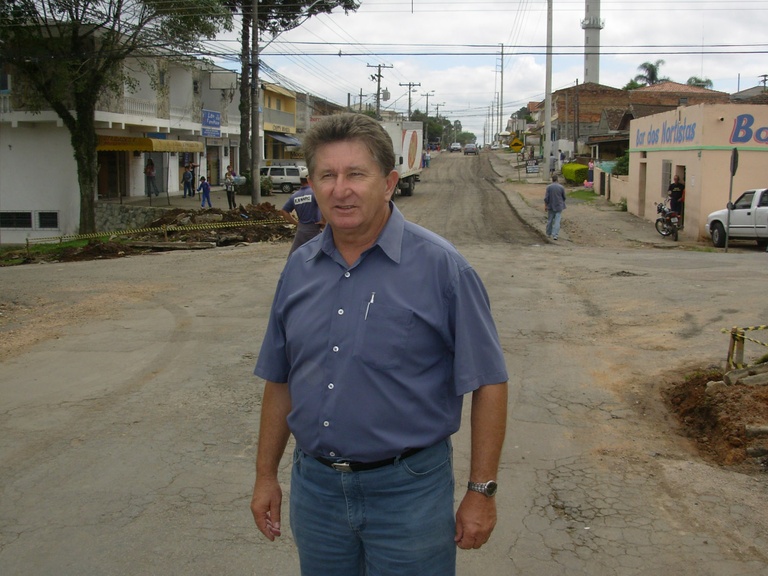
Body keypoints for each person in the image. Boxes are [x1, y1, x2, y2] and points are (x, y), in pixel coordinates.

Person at [250, 113, 508, 576]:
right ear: (312, 184)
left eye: (356, 174)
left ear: (389, 183)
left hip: (408, 492)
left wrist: (481, 490)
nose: (340, 189)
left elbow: (488, 383)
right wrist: (266, 475)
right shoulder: (299, 270)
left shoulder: (443, 268)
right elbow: (281, 377)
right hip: (316, 492)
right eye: (327, 175)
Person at [278, 166, 324, 256]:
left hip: (301, 229)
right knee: (320, 255)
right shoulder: (314, 193)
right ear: (310, 179)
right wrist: (324, 220)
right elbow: (324, 205)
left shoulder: (295, 195)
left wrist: (296, 223)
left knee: (295, 256)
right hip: (314, 229)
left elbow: (284, 211)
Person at [544, 174, 567, 240]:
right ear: (557, 179)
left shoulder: (549, 187)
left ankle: (548, 233)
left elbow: (546, 198)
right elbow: (564, 197)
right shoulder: (561, 187)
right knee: (557, 221)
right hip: (559, 206)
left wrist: (545, 205)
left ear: (552, 179)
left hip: (550, 206)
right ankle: (555, 235)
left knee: (550, 220)